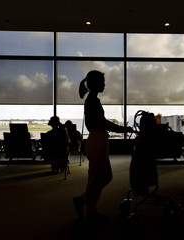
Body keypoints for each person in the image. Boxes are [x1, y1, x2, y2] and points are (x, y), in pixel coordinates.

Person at [73, 70, 133, 225]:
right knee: (97, 178)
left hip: (98, 140)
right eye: (102, 82)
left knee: (105, 176)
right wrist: (123, 129)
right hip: (97, 140)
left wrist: (122, 129)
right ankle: (90, 212)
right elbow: (103, 123)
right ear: (95, 83)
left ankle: (82, 200)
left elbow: (101, 122)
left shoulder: (92, 100)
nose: (104, 84)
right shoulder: (92, 101)